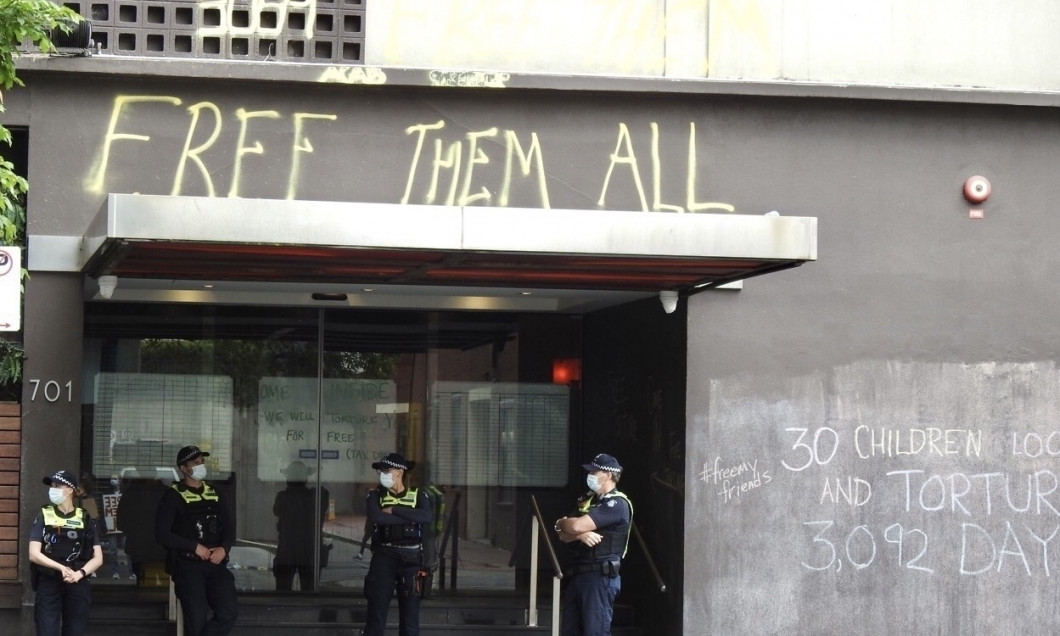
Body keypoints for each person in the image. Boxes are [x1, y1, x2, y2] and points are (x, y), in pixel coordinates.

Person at [155, 445, 238, 636]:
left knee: (228, 612)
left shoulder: (215, 493)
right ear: (184, 468)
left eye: (202, 462)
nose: (201, 466)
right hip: (188, 565)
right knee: (196, 618)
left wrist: (224, 548)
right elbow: (162, 534)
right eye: (195, 463)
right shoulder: (173, 496)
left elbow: (229, 528)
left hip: (215, 563)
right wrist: (194, 547)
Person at [554, 453, 633, 636]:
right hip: (579, 574)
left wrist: (569, 527)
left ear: (608, 475)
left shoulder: (617, 504)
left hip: (600, 577)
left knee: (595, 632)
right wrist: (573, 531)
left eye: (595, 471)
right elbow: (563, 536)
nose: (591, 475)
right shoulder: (587, 499)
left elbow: (574, 525)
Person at [363, 452, 433, 636]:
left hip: (411, 561)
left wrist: (393, 510)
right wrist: (409, 518)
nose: (382, 474)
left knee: (410, 622)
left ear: (400, 472)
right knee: (375, 619)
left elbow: (425, 517)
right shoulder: (375, 495)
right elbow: (377, 517)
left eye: (387, 470)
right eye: (380, 471)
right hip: (384, 558)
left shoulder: (419, 495)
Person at [27, 469, 104, 636]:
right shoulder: (44, 515)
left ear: (70, 489)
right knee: (46, 630)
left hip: (77, 582)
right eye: (52, 485)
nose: (52, 489)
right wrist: (60, 568)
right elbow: (33, 553)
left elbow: (98, 558)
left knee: (75, 630)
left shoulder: (85, 518)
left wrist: (79, 574)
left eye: (57, 485)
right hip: (49, 580)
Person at [273, 460, 329, 591]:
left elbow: (276, 510)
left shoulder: (283, 497)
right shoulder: (316, 497)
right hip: (310, 551)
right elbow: (323, 492)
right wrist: (314, 475)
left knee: (282, 592)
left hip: (287, 551)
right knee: (309, 592)